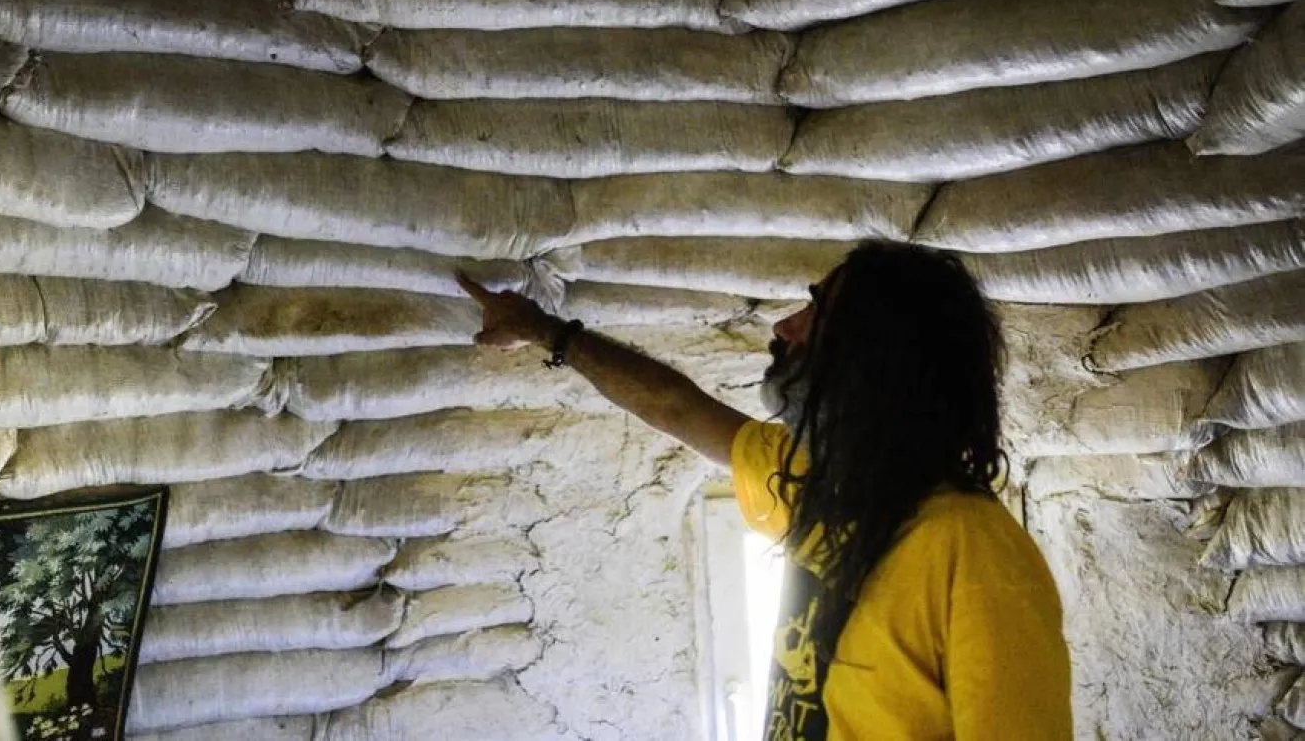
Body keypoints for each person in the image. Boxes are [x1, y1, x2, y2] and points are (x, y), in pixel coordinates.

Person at [457, 239, 1072, 741]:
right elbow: (674, 407)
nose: (785, 326)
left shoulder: (976, 555)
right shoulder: (819, 493)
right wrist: (545, 332)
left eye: (817, 314)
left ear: (877, 359)